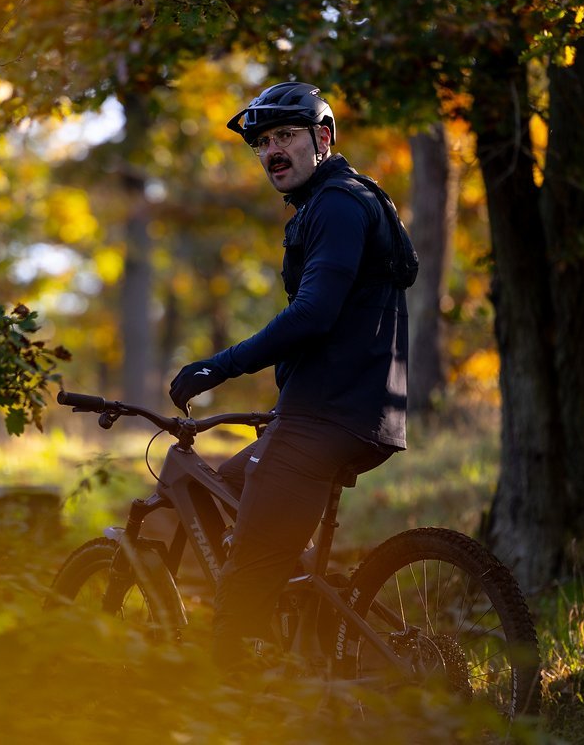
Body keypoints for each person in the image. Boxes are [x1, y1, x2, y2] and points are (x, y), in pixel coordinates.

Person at [168, 81, 410, 672]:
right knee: (216, 483)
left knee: (237, 597)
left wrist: (217, 367)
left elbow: (314, 312)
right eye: (263, 143)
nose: (272, 151)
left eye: (286, 136)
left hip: (326, 416)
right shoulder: (340, 202)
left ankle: (240, 690)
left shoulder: (337, 204)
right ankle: (301, 623)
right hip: (342, 411)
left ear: (322, 138)